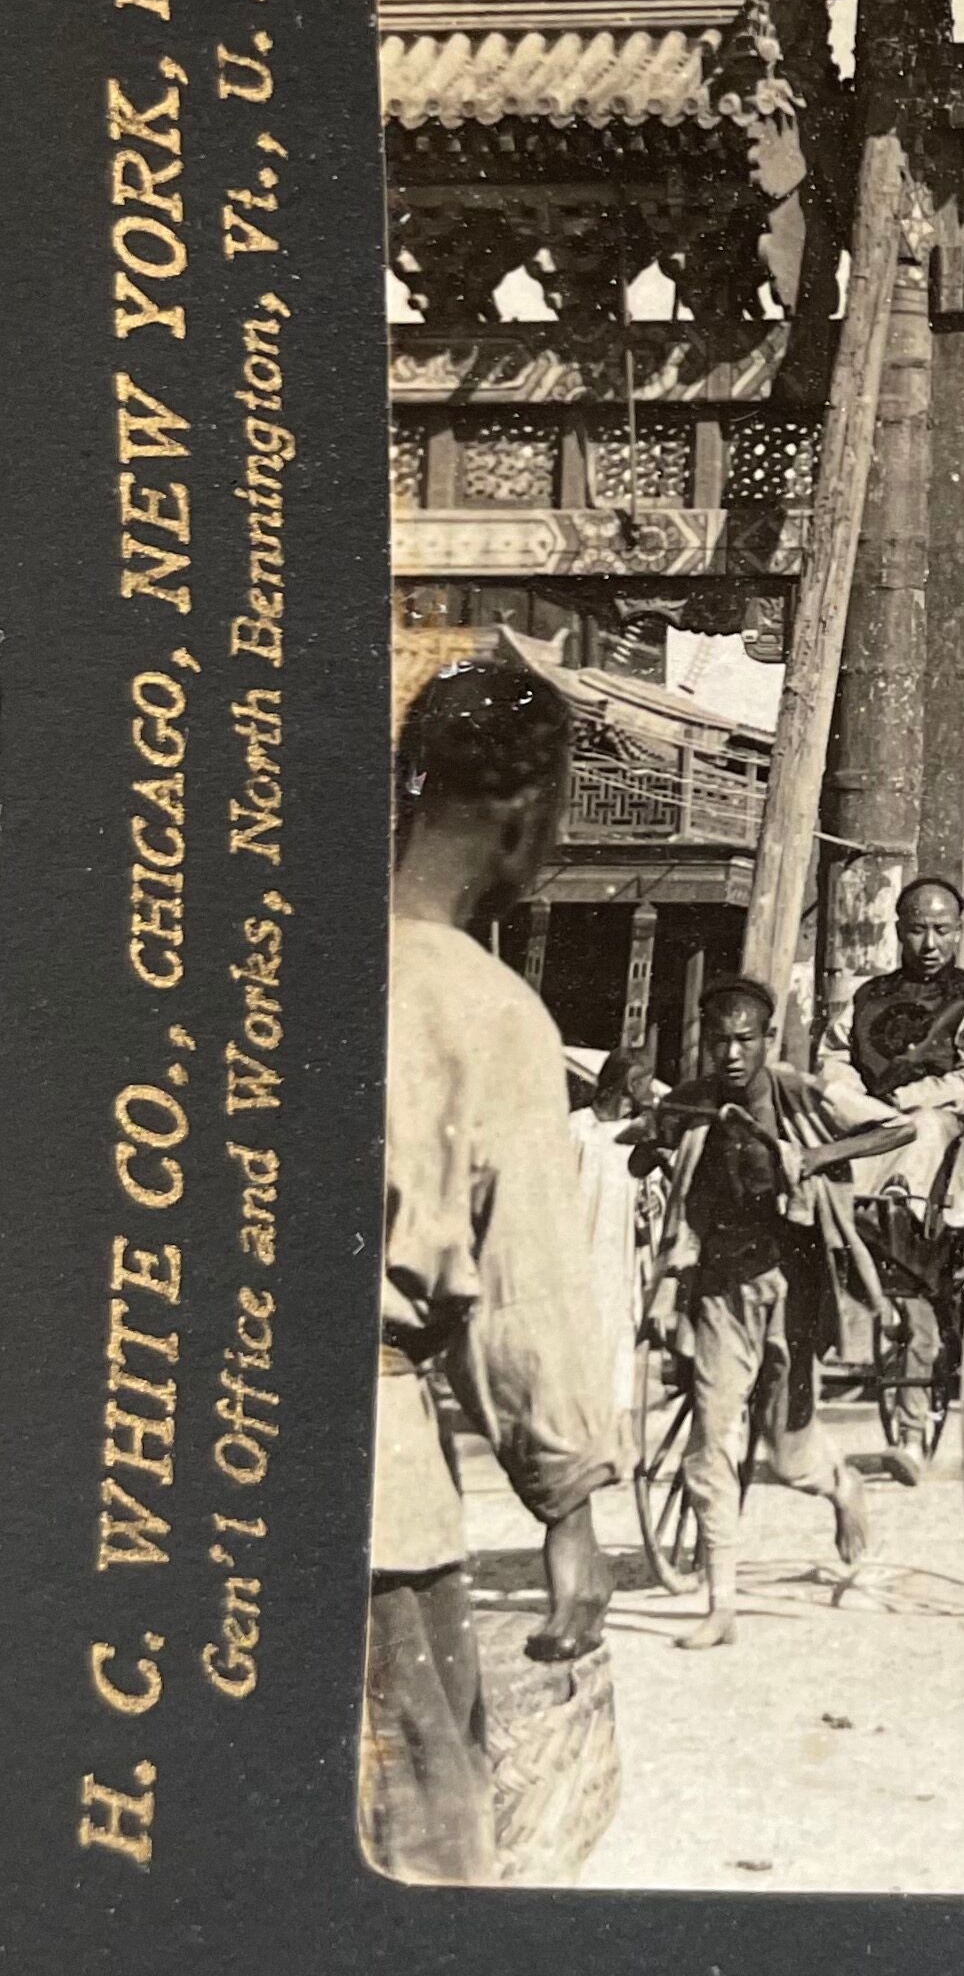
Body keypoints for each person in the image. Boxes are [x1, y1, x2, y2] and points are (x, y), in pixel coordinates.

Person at [367, 659, 621, 1884]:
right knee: (422, 1838)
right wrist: (569, 1508)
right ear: (527, 815)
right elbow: (516, 1299)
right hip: (375, 1496)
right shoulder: (488, 1011)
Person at [641, 976, 893, 1650]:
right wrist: (653, 1142)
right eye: (718, 1039)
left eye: (744, 1040)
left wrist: (817, 1156)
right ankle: (722, 1602)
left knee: (788, 1457)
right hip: (722, 1289)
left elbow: (890, 1127)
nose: (730, 1054)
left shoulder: (798, 1093)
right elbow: (643, 1144)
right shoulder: (694, 1103)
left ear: (766, 1040)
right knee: (711, 1442)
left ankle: (844, 1488)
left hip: (792, 1285)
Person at [819, 876, 964, 1230]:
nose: (929, 944)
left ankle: (900, 1216)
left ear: (958, 931)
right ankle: (837, 1210)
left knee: (923, 1127)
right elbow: (836, 1055)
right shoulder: (868, 995)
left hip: (936, 1119)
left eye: (941, 930)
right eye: (917, 930)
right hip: (866, 1116)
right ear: (899, 931)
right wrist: (855, 1099)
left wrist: (906, 1098)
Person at [566, 1044, 658, 1420]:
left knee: (615, 1332)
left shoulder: (638, 1136)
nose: (650, 1093)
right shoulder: (575, 1128)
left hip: (616, 1260)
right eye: (646, 1084)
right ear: (631, 1084)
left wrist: (649, 1211)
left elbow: (651, 1201)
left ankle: (613, 1424)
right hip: (573, 1260)